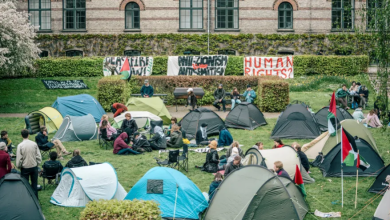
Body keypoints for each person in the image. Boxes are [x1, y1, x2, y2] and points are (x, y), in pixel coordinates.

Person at [16, 129, 42, 199]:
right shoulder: (34, 144)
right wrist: (37, 163)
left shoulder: (20, 146)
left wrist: (19, 166)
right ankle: (35, 198)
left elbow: (19, 158)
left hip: (25, 167)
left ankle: (27, 199)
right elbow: (38, 156)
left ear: (21, 135)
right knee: (34, 183)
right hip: (34, 166)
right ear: (28, 135)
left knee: (25, 184)